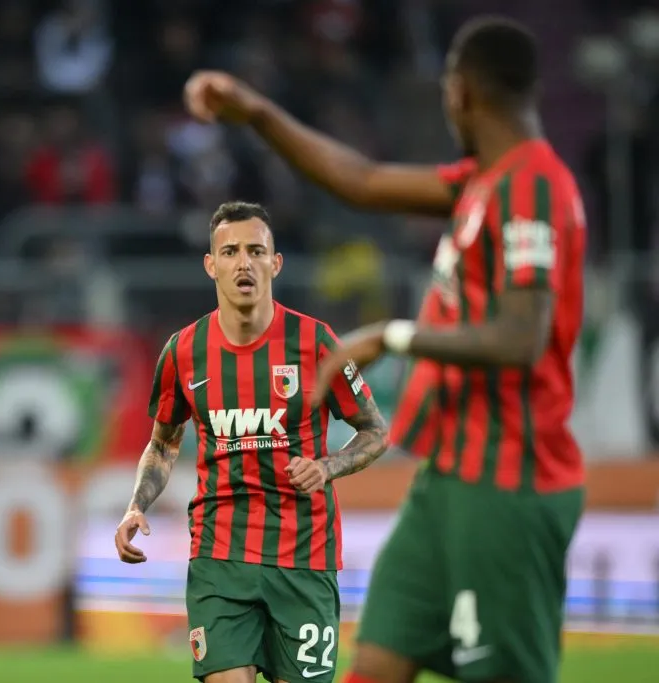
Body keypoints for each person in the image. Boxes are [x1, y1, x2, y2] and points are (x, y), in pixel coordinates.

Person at [183, 16, 585, 683]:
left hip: (509, 481)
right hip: (447, 480)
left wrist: (390, 335)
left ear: (459, 92)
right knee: (373, 666)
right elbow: (362, 181)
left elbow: (523, 336)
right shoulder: (482, 183)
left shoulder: (534, 185)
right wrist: (255, 112)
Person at [114, 201, 390, 683]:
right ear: (211, 264)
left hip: (304, 555)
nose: (244, 262)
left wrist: (328, 467)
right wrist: (136, 505)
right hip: (219, 555)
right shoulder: (182, 351)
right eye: (230, 251)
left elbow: (376, 431)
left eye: (256, 251)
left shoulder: (317, 342)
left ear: (275, 263)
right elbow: (162, 444)